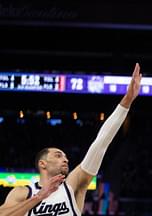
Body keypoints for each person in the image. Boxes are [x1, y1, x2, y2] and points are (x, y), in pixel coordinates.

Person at [0, 63, 142, 216]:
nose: (65, 159)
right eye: (58, 155)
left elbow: (100, 143)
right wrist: (38, 197)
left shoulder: (72, 186)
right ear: (43, 163)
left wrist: (126, 102)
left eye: (65, 156)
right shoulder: (23, 192)